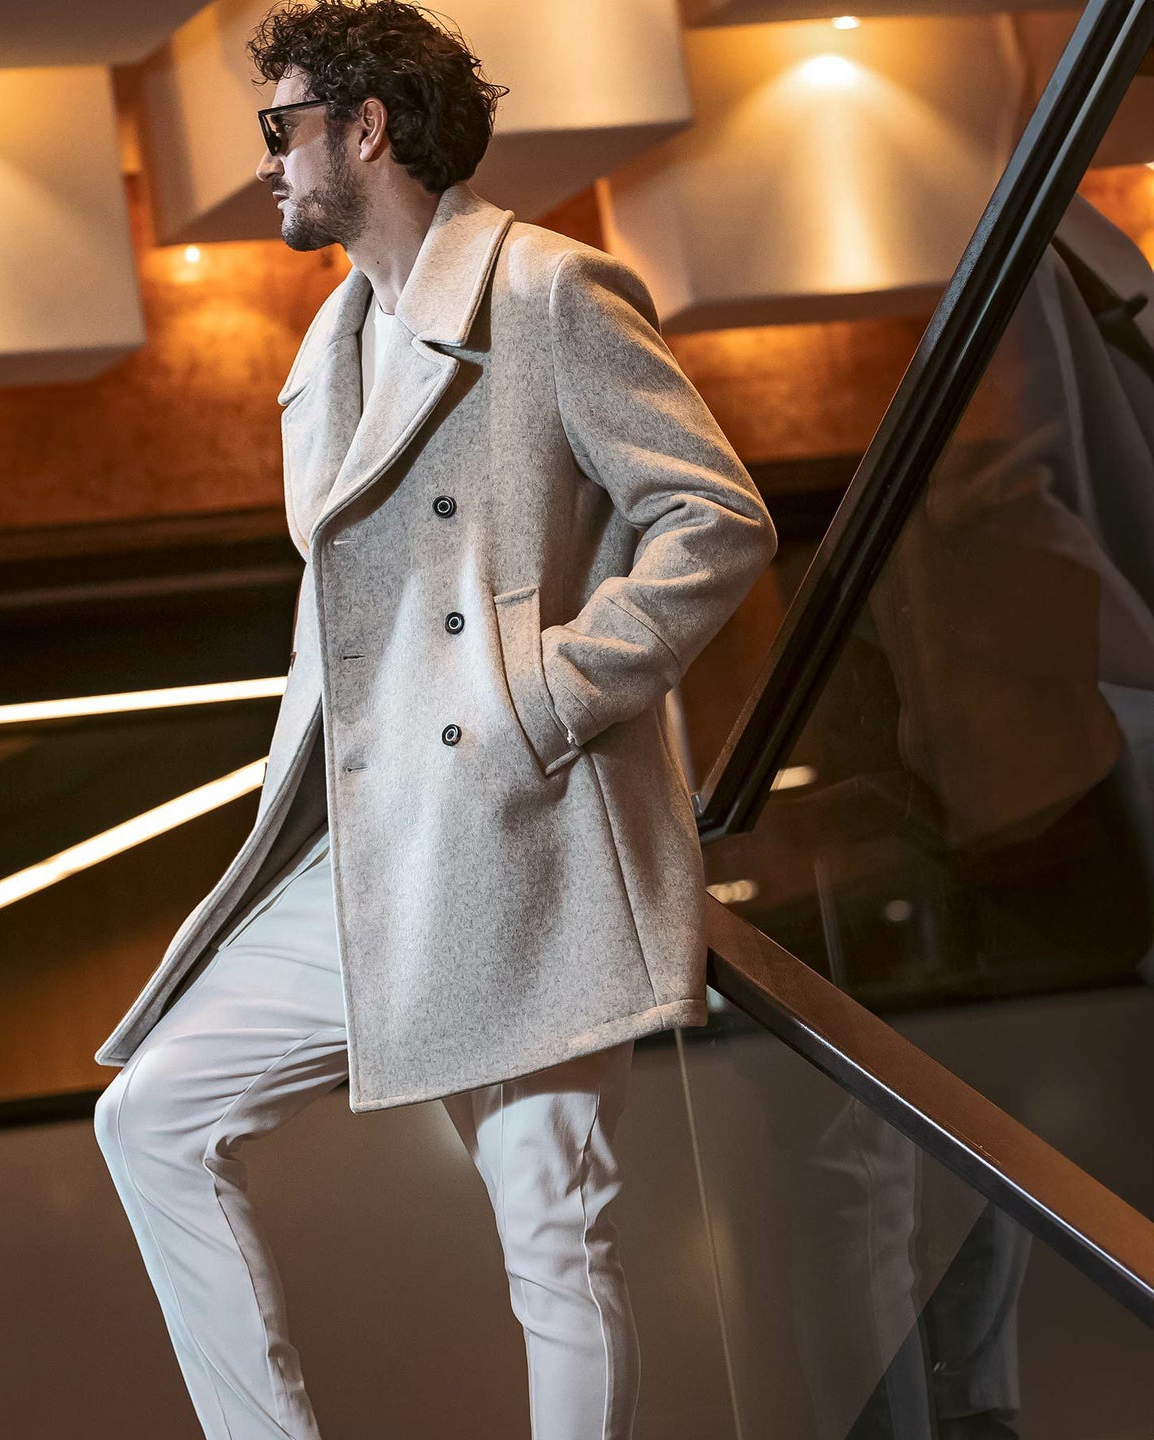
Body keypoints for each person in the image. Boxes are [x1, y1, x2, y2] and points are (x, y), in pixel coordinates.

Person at [92, 3, 777, 1437]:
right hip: (372, 844)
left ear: (366, 129)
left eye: (281, 126)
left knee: (552, 1238)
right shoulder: (326, 347)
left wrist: (544, 695)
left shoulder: (548, 291)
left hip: (524, 832)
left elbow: (713, 517)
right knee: (150, 1112)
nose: (266, 160)